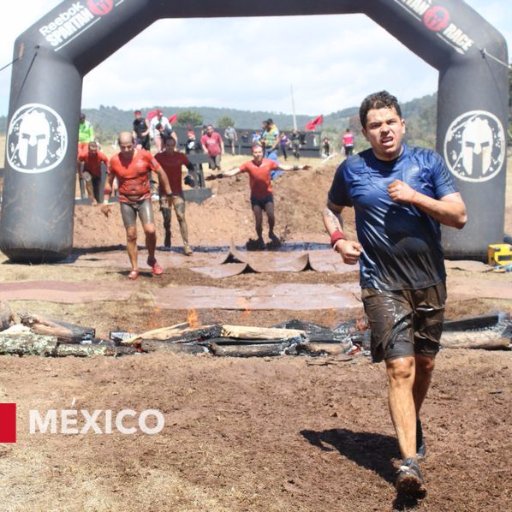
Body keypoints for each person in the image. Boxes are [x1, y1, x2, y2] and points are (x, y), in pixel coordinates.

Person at [323, 91, 467, 497]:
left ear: (402, 124)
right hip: (380, 281)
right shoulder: (351, 169)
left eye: (390, 122)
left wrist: (415, 197)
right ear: (365, 131)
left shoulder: (428, 163)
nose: (383, 130)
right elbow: (330, 208)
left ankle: (410, 422)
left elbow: (459, 216)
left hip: (429, 280)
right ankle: (409, 464)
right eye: (374, 125)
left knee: (424, 364)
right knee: (400, 367)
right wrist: (338, 240)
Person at [101, 132, 172, 280]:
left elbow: (161, 172)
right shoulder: (114, 160)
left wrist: (168, 193)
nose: (126, 150)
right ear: (118, 145)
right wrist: (106, 201)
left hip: (144, 198)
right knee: (131, 235)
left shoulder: (144, 156)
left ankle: (151, 258)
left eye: (129, 146)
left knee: (150, 230)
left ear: (133, 143)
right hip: (126, 200)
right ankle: (134, 268)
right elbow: (108, 181)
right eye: (123, 147)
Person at [218, 143, 309, 249]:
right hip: (255, 198)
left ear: (263, 153)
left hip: (267, 196)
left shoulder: (269, 163)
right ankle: (260, 238)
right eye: (255, 152)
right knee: (258, 220)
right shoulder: (248, 165)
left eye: (260, 152)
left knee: (271, 215)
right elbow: (234, 172)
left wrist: (300, 167)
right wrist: (218, 175)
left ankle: (271, 232)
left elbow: (283, 167)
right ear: (252, 154)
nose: (257, 154)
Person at [155, 137, 195, 255]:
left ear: (175, 145)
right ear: (164, 145)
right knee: (167, 219)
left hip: (178, 192)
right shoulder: (159, 157)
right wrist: (151, 181)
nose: (170, 148)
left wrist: (189, 177)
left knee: (181, 216)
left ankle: (186, 245)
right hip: (164, 193)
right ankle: (168, 232)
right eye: (168, 145)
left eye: (172, 146)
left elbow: (191, 167)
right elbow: (149, 168)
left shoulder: (180, 156)